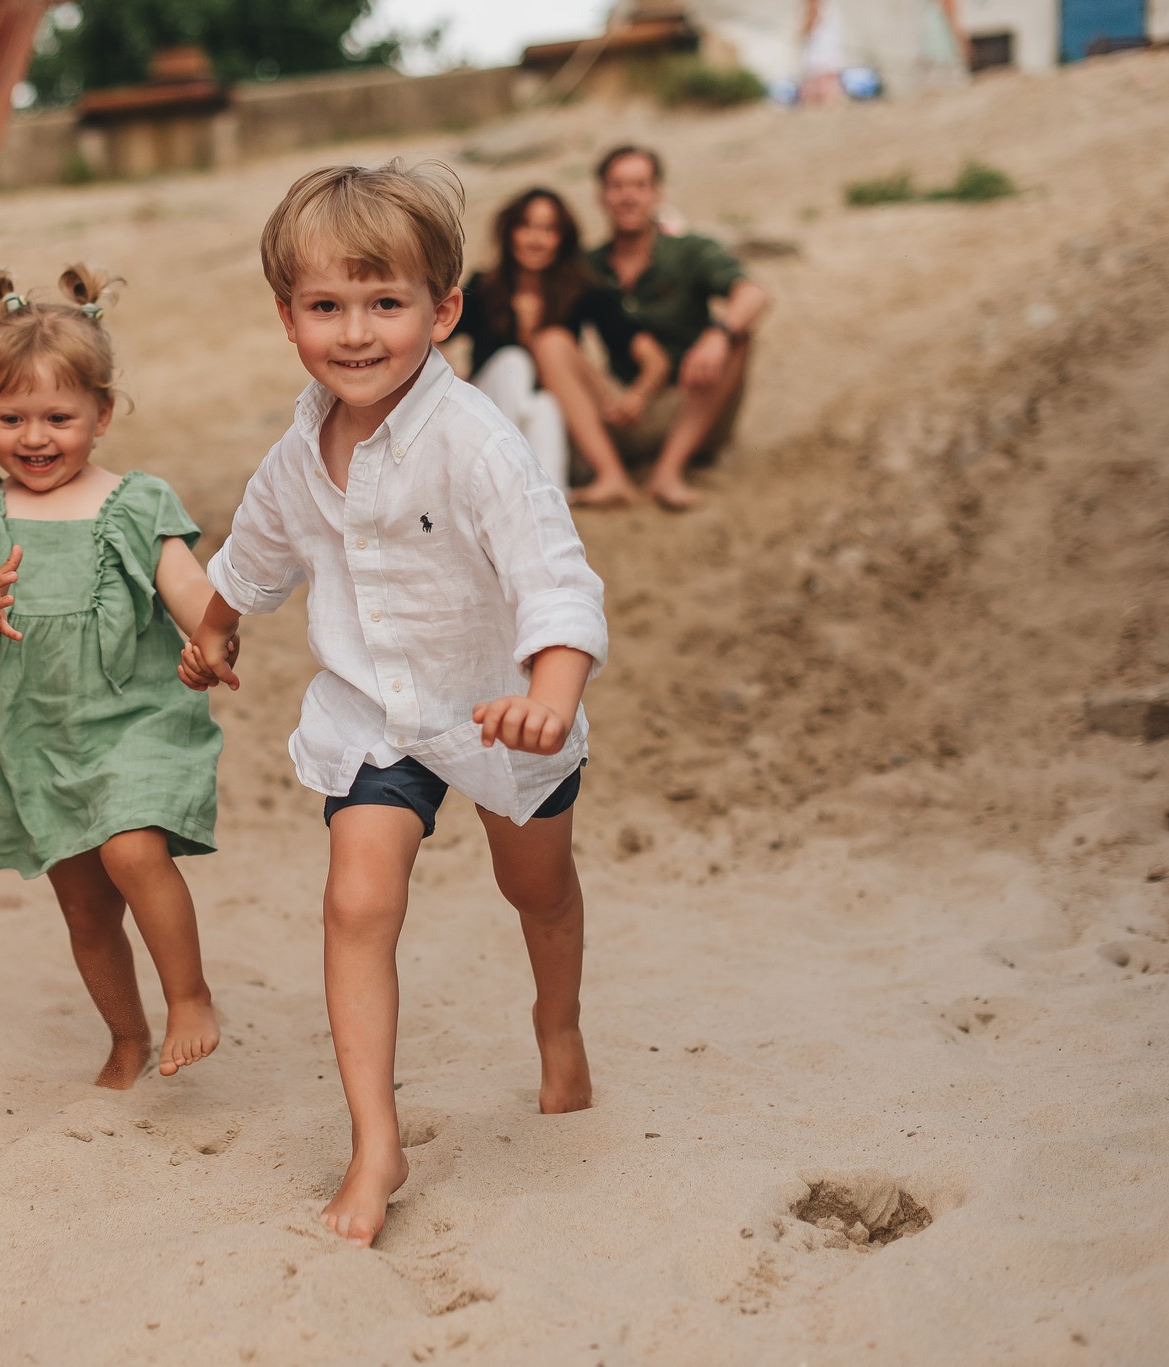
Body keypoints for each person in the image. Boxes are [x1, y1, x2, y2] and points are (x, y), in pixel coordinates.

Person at [180, 162, 608, 1247]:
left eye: (386, 303)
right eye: (326, 306)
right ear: (287, 318)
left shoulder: (474, 442)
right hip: (375, 713)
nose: (356, 332)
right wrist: (216, 624)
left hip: (496, 710)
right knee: (355, 900)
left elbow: (553, 575)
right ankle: (376, 1136)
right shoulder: (296, 452)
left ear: (442, 307)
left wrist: (548, 695)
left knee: (537, 887)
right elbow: (256, 554)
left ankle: (555, 1022)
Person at [0, 265, 225, 1088]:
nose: (34, 437)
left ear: (103, 412)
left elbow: (187, 585)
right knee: (86, 909)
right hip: (35, 735)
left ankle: (190, 995)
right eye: (10, 416)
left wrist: (215, 635)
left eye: (58, 416)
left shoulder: (135, 502)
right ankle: (126, 1037)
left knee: (132, 848)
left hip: (130, 713)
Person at [445, 187, 668, 509]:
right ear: (509, 233)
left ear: (562, 239)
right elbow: (430, 335)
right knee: (513, 362)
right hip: (492, 416)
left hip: (551, 427)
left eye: (549, 230)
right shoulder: (485, 286)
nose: (536, 239)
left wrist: (638, 395)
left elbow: (655, 359)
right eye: (527, 227)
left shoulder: (581, 290)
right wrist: (454, 377)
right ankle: (504, 479)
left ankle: (553, 495)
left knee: (546, 397)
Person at [586, 145, 771, 510]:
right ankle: (609, 473)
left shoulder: (690, 250)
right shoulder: (588, 266)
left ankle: (668, 473)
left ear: (657, 193)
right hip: (626, 413)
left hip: (694, 407)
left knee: (738, 337)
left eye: (639, 185)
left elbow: (753, 294)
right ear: (601, 195)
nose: (628, 196)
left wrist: (718, 333)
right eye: (617, 185)